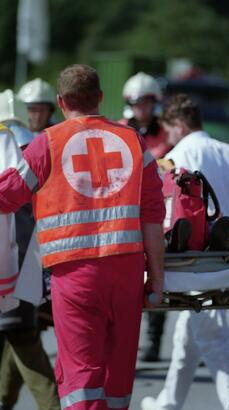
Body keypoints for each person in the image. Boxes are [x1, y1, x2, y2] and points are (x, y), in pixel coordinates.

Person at [0, 64, 165, 410]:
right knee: (117, 377)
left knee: (80, 378)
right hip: (127, 273)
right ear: (101, 98)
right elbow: (153, 216)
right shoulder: (133, 141)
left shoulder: (47, 143)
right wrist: (157, 282)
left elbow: (9, 195)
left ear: (60, 102)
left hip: (75, 277)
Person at [141, 94, 229, 410]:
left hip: (193, 266)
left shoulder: (173, 160)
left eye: (169, 129)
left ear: (180, 125)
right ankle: (168, 403)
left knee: (211, 338)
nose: (167, 135)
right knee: (189, 337)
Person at [0, 90, 60, 410]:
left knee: (22, 340)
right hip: (34, 266)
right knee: (16, 337)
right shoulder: (39, 152)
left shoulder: (10, 151)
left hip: (12, 267)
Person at [121, 72, 170, 362]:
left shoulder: (165, 132)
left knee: (158, 269)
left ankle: (154, 341)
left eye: (148, 102)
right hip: (129, 206)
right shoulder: (121, 129)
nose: (143, 107)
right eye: (138, 102)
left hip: (159, 205)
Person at [121, 72, 171, 159]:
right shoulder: (120, 128)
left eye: (146, 102)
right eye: (136, 103)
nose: (141, 108)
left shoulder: (167, 131)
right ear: (129, 104)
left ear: (154, 102)